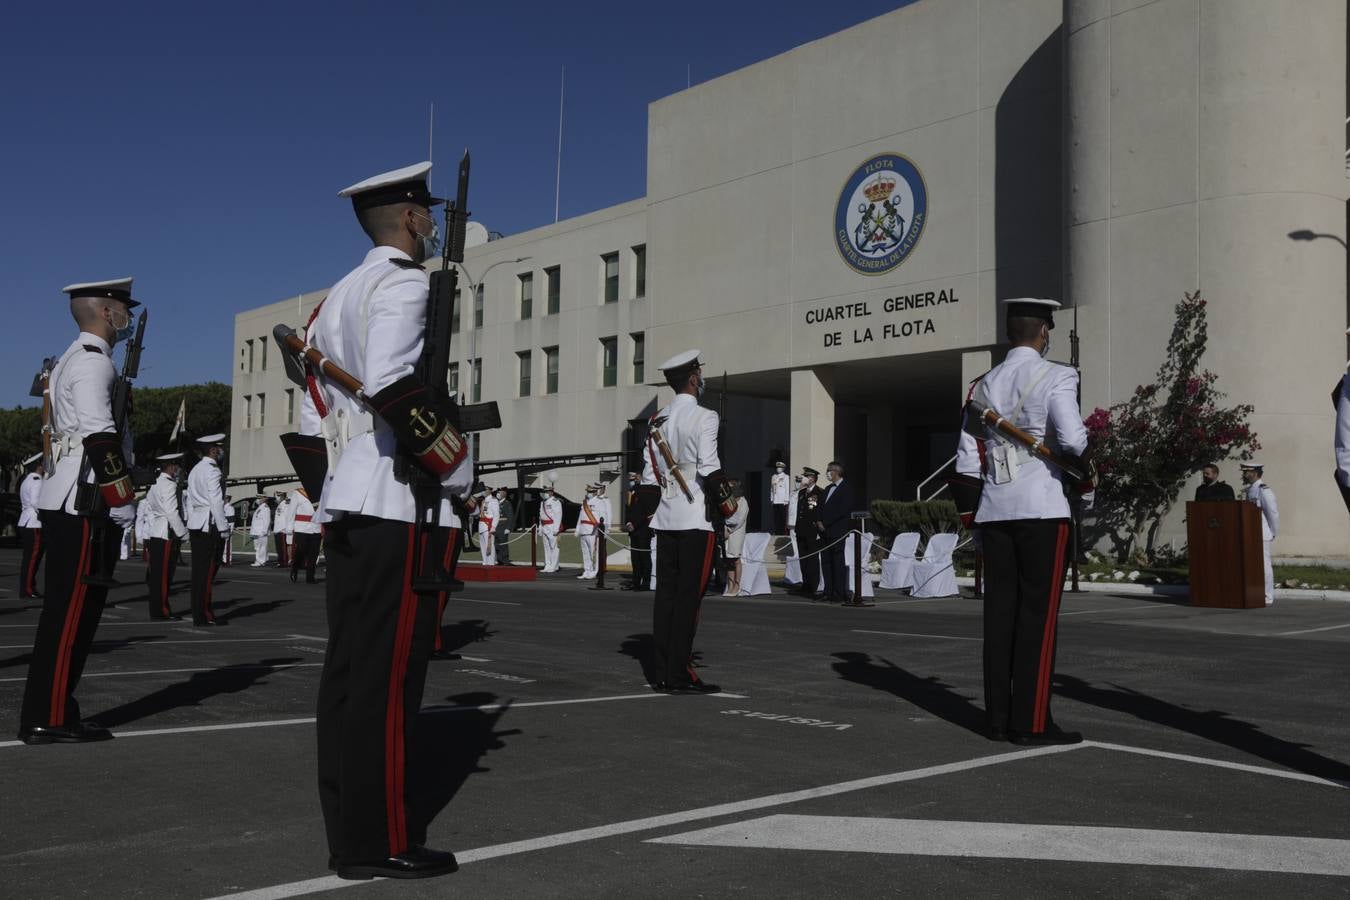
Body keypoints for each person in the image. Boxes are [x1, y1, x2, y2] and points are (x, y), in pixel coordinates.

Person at [302, 159, 471, 879]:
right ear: (409, 218)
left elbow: (323, 385)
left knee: (348, 674)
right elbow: (393, 383)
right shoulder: (402, 283)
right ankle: (382, 840)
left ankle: (351, 832)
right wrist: (456, 462)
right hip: (395, 498)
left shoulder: (342, 292)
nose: (433, 222)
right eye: (427, 212)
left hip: (350, 494)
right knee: (389, 679)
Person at [955, 297, 1088, 747]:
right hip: (1042, 510)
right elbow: (1071, 439)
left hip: (995, 513)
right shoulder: (1058, 375)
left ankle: (997, 719)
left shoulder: (981, 386)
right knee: (1037, 620)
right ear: (1044, 332)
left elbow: (965, 465)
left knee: (1000, 618)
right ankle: (1032, 723)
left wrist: (974, 522)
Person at [18, 277, 140, 744]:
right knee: (72, 616)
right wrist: (122, 498)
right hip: (82, 501)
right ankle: (48, 717)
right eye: (124, 307)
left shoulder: (72, 357)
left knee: (65, 614)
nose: (128, 317)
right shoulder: (93, 364)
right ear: (108, 311)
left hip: (66, 495)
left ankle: (54, 709)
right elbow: (99, 434)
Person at [642, 349, 733, 693]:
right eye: (700, 372)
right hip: (696, 518)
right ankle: (680, 674)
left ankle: (662, 671)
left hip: (665, 518)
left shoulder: (656, 421)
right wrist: (731, 507)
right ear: (694, 378)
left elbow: (649, 477)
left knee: (665, 596)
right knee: (688, 599)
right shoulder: (705, 417)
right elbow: (709, 468)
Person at [185, 433, 229, 627]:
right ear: (212, 450)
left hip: (196, 522)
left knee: (198, 573)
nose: (221, 451)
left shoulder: (195, 470)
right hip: (208, 525)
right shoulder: (212, 471)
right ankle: (202, 614)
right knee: (206, 572)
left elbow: (189, 500)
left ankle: (199, 613)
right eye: (218, 448)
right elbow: (215, 501)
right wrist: (223, 527)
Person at [142, 453, 188, 620]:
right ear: (171, 466)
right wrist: (182, 533)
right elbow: (171, 511)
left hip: (156, 531)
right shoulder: (169, 485)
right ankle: (161, 611)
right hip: (166, 532)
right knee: (163, 576)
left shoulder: (155, 483)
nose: (178, 469)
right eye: (176, 466)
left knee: (157, 576)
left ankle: (158, 609)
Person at [817, 461, 857, 604]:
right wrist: (819, 521)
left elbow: (842, 510)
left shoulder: (847, 488)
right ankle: (827, 592)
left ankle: (838, 593)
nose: (827, 473)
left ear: (836, 472)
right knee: (826, 562)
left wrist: (826, 522)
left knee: (837, 562)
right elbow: (820, 507)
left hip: (837, 531)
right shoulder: (827, 488)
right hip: (824, 532)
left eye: (829, 470)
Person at [1241, 461, 1279, 606]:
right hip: (1250, 534)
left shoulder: (1264, 490)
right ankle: (1255, 593)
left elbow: (1272, 514)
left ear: (1255, 473)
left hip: (1262, 534)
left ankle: (1267, 596)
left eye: (1246, 471)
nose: (1244, 474)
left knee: (1264, 565)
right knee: (1253, 566)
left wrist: (1272, 532)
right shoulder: (1250, 489)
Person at [17, 453, 44, 599]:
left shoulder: (27, 480)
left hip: (26, 521)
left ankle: (27, 587)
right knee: (33, 558)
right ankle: (28, 589)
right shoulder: (37, 480)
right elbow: (36, 502)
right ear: (39, 466)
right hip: (34, 523)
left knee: (29, 558)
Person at [794, 468, 824, 598]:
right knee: (803, 559)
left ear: (813, 478)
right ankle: (805, 584)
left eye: (807, 476)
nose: (805, 478)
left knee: (812, 559)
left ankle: (813, 585)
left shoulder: (819, 492)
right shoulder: (801, 492)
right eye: (805, 476)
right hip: (800, 529)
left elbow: (816, 511)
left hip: (812, 531)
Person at [625, 471, 656, 591]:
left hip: (643, 529)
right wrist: (628, 522)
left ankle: (646, 582)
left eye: (636, 477)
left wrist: (635, 524)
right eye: (634, 477)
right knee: (635, 558)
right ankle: (636, 581)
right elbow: (629, 509)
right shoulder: (632, 491)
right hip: (633, 530)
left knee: (644, 557)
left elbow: (646, 513)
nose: (634, 479)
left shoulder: (647, 492)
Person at [289, 486, 321, 584]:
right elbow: (291, 511)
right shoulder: (298, 493)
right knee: (301, 550)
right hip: (301, 528)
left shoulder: (320, 492)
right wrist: (289, 527)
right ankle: (295, 567)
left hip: (316, 527)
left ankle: (310, 577)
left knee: (313, 554)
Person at [723, 483, 748, 596]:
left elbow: (740, 521)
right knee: (728, 560)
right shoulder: (730, 500)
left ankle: (737, 586)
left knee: (736, 559)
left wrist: (729, 531)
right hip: (726, 533)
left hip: (736, 533)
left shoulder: (743, 502)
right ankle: (730, 585)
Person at [575, 484, 601, 579]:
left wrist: (599, 530)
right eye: (587, 492)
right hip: (583, 530)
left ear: (595, 492)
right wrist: (577, 529)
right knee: (585, 552)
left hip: (592, 530)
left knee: (593, 552)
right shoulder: (584, 502)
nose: (588, 494)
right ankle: (587, 570)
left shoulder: (598, 502)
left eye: (590, 492)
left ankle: (594, 570)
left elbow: (601, 517)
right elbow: (580, 517)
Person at [539, 484, 563, 573]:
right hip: (545, 526)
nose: (545, 493)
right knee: (546, 547)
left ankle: (554, 566)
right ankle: (548, 565)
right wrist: (540, 527)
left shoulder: (555, 501)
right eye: (544, 492)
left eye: (546, 492)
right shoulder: (542, 502)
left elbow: (558, 515)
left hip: (552, 526)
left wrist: (556, 528)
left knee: (554, 547)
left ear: (551, 492)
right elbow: (541, 515)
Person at [250, 496, 272, 567]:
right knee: (258, 547)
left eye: (259, 498)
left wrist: (264, 531)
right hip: (257, 531)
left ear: (264, 499)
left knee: (261, 547)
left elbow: (267, 520)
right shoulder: (260, 507)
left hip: (261, 532)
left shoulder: (265, 508)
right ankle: (263, 559)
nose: (257, 500)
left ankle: (260, 561)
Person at [477, 488, 498, 565]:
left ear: (490, 490)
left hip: (488, 525)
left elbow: (496, 515)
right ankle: (485, 561)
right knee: (483, 545)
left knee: (489, 544)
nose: (484, 491)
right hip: (482, 525)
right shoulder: (483, 501)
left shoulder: (493, 500)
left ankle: (491, 562)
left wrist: (493, 526)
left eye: (485, 489)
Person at [770, 461, 791, 535]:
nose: (778, 469)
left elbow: (787, 488)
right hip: (775, 500)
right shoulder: (774, 476)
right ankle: (777, 532)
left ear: (783, 468)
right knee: (776, 518)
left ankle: (784, 532)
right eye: (777, 467)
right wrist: (772, 499)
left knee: (783, 518)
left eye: (780, 467)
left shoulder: (786, 477)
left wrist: (786, 500)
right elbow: (772, 489)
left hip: (782, 501)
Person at [494, 488, 513, 565]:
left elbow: (510, 516)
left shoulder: (507, 503)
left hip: (503, 526)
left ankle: (505, 560)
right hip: (496, 526)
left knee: (503, 544)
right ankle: (499, 560)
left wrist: (508, 528)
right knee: (497, 544)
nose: (498, 494)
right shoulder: (496, 503)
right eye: (498, 492)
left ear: (504, 494)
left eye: (500, 492)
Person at [272, 491, 291, 568]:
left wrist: (284, 528)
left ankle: (283, 562)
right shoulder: (280, 504)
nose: (277, 497)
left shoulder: (286, 504)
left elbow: (287, 517)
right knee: (279, 548)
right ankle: (280, 561)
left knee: (282, 548)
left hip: (282, 530)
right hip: (278, 529)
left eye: (278, 496)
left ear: (282, 496)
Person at [221, 494, 236, 566]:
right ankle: (223, 559)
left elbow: (231, 521)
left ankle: (227, 560)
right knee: (222, 546)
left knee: (227, 546)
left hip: (227, 529)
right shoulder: (222, 507)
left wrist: (230, 530)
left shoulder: (230, 508)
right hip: (222, 529)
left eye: (224, 498)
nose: (223, 500)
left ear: (227, 499)